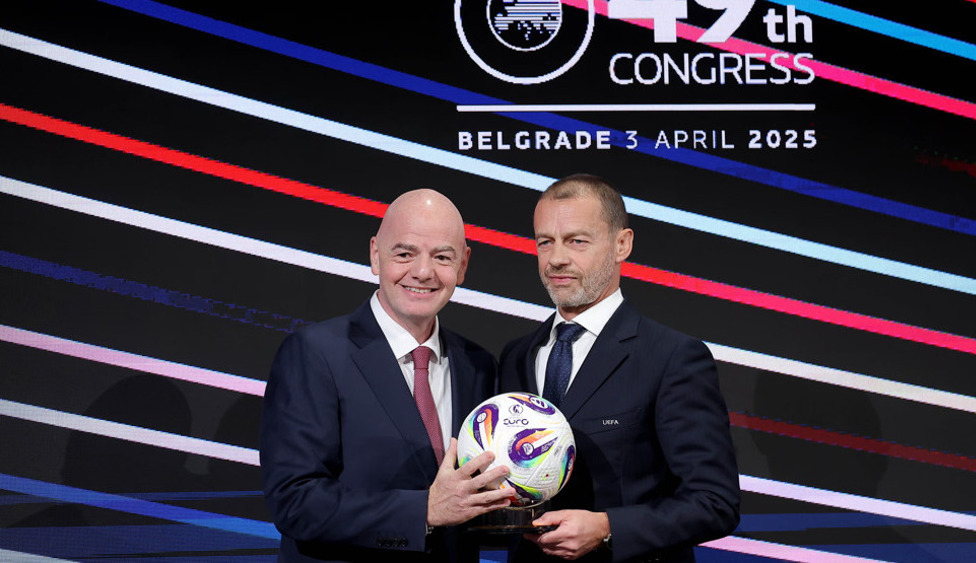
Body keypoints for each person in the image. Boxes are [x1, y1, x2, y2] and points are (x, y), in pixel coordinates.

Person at [261, 189, 512, 562]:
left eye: (442, 256)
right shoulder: (314, 353)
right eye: (405, 253)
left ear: (463, 265)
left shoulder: (478, 364)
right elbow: (295, 502)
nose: (423, 272)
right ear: (375, 254)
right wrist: (423, 511)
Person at [499, 174, 740, 562]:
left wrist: (608, 527)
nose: (557, 258)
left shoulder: (673, 357)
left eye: (577, 241)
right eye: (546, 241)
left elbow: (715, 503)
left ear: (621, 244)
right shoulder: (516, 356)